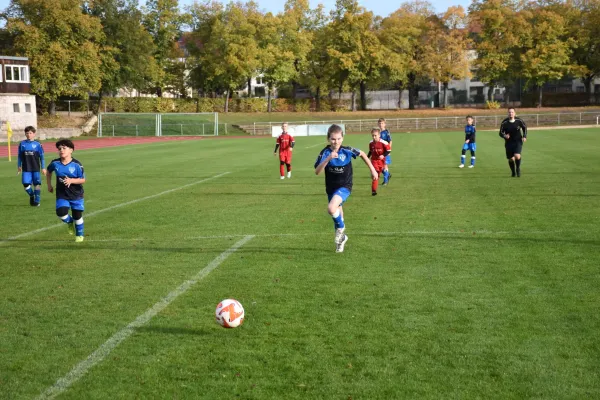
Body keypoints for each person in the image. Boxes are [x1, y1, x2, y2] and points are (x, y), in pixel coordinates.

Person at [314, 124, 378, 253]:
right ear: (328, 139)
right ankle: (341, 240)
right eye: (333, 139)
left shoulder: (346, 151)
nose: (335, 142)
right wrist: (328, 158)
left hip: (345, 186)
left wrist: (373, 170)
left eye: (338, 139)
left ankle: (341, 230)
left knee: (331, 208)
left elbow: (363, 154)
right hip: (331, 188)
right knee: (337, 215)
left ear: (342, 138)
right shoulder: (325, 153)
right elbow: (317, 171)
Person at [46, 139, 86, 242]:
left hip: (76, 194)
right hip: (62, 194)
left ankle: (79, 235)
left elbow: (83, 179)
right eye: (59, 149)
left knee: (77, 216)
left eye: (64, 148)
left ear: (71, 150)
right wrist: (49, 185)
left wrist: (71, 180)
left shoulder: (77, 164)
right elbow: (48, 172)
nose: (61, 150)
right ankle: (69, 221)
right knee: (61, 213)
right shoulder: (55, 163)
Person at [17, 126, 46, 206]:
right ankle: (32, 195)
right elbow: (19, 156)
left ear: (34, 134)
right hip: (26, 168)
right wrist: (19, 166)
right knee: (26, 184)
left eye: (30, 133)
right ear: (25, 134)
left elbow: (42, 157)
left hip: (35, 167)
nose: (29, 135)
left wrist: (43, 167)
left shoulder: (37, 144)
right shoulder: (22, 144)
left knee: (37, 184)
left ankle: (37, 200)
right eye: (27, 133)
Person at [499, 108, 527, 177]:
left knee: (517, 156)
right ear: (507, 113)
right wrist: (505, 136)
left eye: (512, 112)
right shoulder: (504, 122)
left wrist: (524, 136)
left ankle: (518, 169)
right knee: (511, 159)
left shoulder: (519, 121)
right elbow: (500, 133)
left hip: (518, 141)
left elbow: (524, 128)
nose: (511, 113)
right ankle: (513, 172)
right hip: (509, 143)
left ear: (515, 113)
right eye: (509, 112)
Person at [367, 128, 391, 196]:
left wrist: (383, 155)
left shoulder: (384, 142)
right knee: (376, 174)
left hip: (381, 161)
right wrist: (367, 157)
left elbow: (389, 150)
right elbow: (370, 151)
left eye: (375, 135)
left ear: (379, 135)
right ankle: (374, 190)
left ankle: (387, 174)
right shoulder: (371, 143)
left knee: (378, 174)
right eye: (373, 136)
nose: (374, 137)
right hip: (374, 160)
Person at [377, 118, 392, 185]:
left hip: (385, 151)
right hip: (379, 152)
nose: (381, 124)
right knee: (378, 166)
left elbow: (390, 141)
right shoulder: (377, 132)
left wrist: (389, 150)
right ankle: (387, 174)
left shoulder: (386, 132)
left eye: (382, 123)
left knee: (385, 165)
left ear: (385, 124)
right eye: (380, 123)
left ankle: (385, 181)